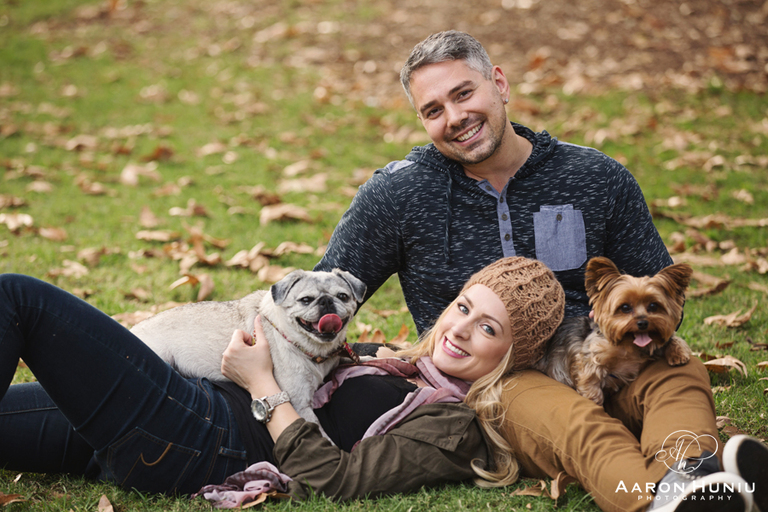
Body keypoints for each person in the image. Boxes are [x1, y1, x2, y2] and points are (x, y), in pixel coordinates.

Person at [314, 30, 767, 512]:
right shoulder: (398, 196)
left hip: (603, 352)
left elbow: (663, 295)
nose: (455, 118)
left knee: (680, 375)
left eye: (464, 94)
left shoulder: (596, 178)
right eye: (433, 110)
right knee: (578, 425)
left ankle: (697, 476)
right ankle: (664, 502)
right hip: (496, 381)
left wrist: (610, 344)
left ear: (500, 85)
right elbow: (322, 298)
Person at [0, 256, 563, 503]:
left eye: (487, 327)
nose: (460, 328)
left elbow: (341, 482)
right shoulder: (396, 363)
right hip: (180, 408)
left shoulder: (450, 424)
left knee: (19, 298)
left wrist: (262, 387)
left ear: (514, 354)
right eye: (463, 306)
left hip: (200, 436)